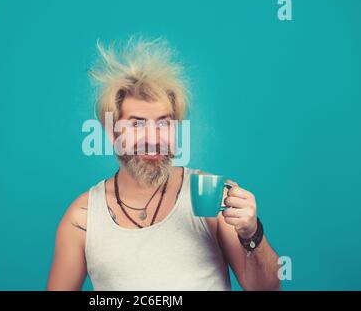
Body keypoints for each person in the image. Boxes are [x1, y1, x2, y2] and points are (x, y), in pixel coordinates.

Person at [47, 36, 280, 291]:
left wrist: (252, 234)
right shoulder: (82, 218)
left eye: (163, 123)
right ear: (112, 133)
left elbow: (267, 289)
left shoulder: (211, 195)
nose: (153, 138)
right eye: (137, 124)